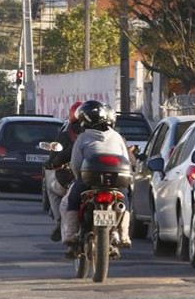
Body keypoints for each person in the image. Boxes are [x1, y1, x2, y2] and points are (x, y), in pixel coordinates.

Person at [60, 100, 132, 252]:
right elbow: (126, 160)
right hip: (117, 181)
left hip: (89, 180)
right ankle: (123, 234)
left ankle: (71, 234)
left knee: (73, 199)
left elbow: (75, 164)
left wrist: (78, 177)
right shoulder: (117, 137)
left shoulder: (83, 138)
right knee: (125, 200)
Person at [45, 101, 83, 242]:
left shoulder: (74, 137)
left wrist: (53, 163)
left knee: (53, 189)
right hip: (106, 179)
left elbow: (57, 159)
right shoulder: (109, 135)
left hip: (78, 179)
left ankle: (59, 220)